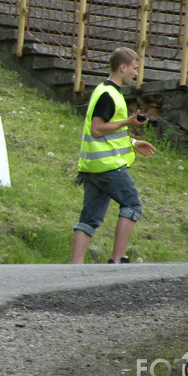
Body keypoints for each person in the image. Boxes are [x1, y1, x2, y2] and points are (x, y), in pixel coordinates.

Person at [70, 47, 156, 264]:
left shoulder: (106, 91)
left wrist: (134, 142)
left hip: (93, 167)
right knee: (133, 205)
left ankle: (74, 267)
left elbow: (108, 133)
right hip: (108, 167)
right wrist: (128, 122)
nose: (136, 74)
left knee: (89, 219)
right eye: (135, 68)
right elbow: (97, 129)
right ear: (123, 67)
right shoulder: (109, 94)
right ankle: (118, 259)